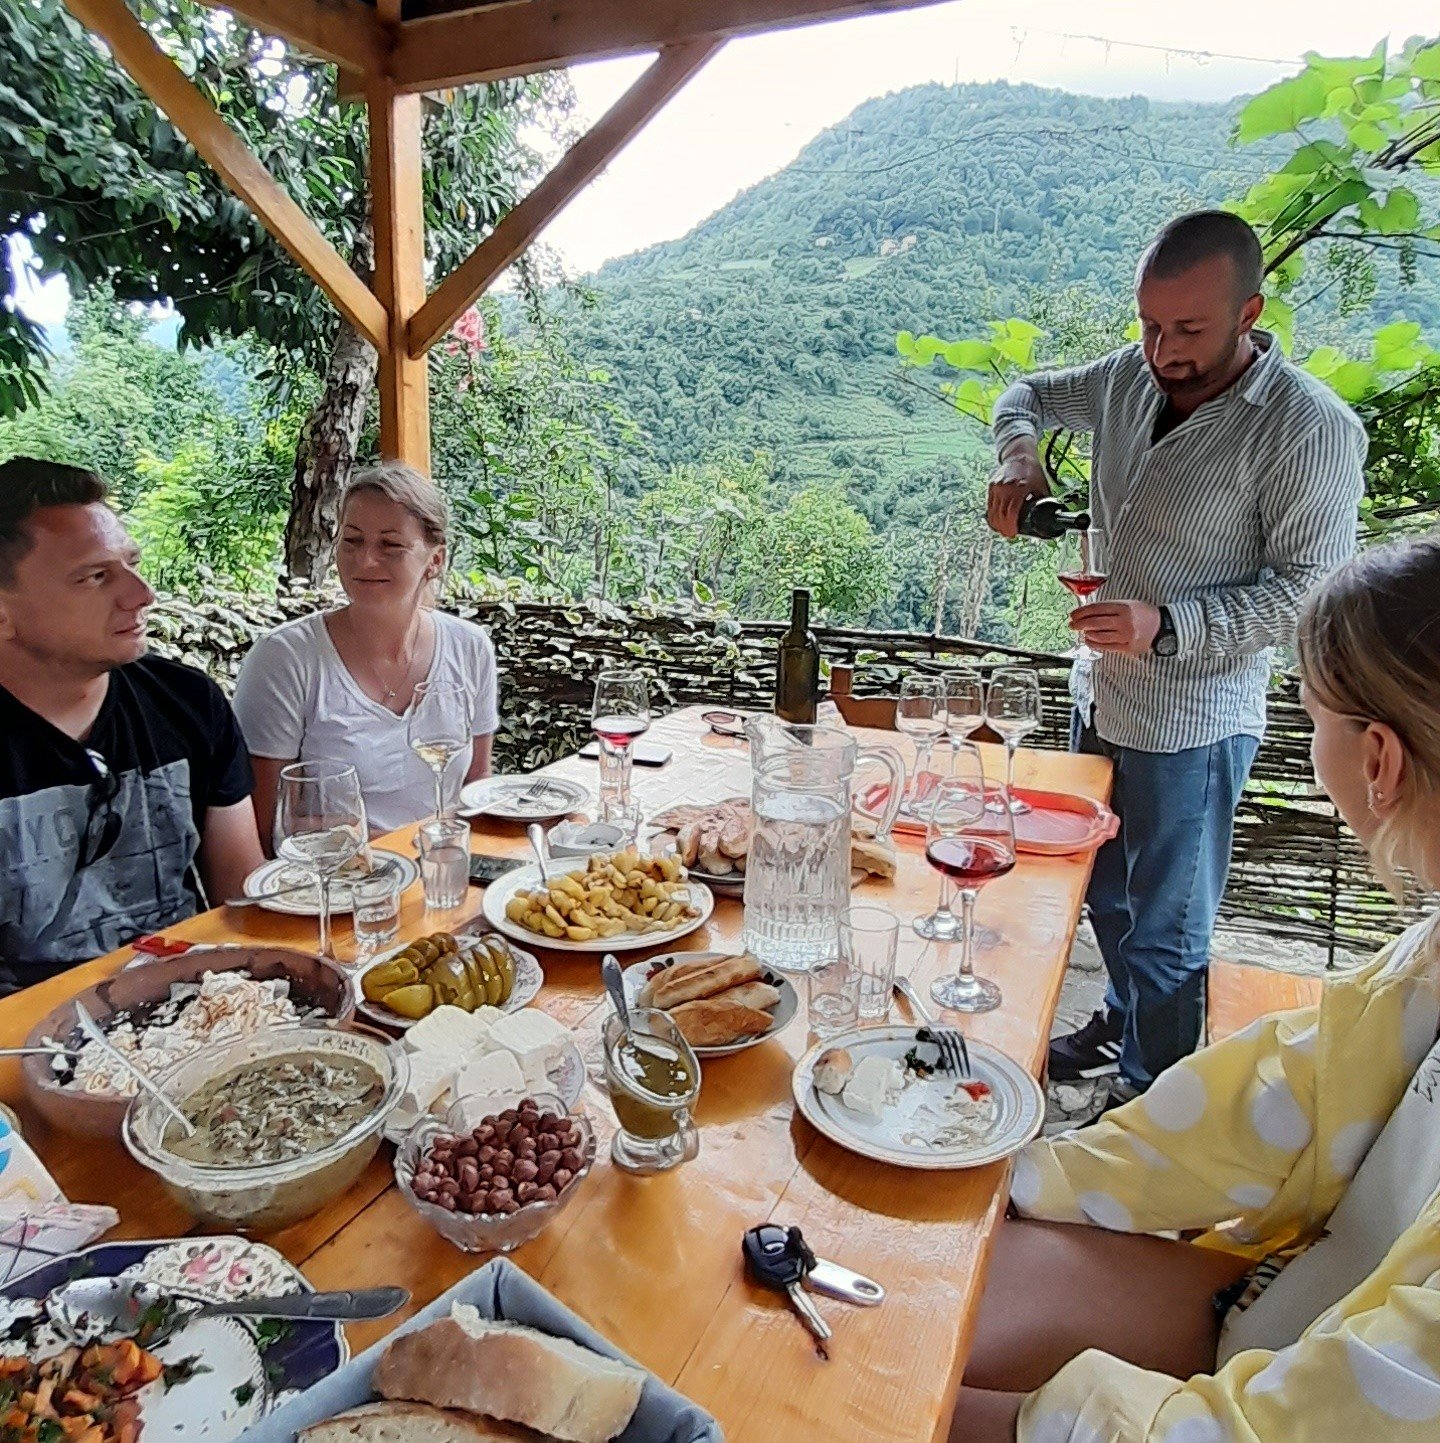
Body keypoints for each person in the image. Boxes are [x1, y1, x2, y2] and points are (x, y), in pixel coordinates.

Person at [950, 534, 1440, 1442]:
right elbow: (1287, 1085)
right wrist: (1026, 1179)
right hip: (1294, 1298)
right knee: (924, 1292)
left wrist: (1023, 1423)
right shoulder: (1429, 955)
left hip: (1328, 1395)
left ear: (1379, 758)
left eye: (1309, 716)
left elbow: (1374, 1401)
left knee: (885, 1399)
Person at [988, 210, 1365, 1097]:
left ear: (1249, 313)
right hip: (1102, 694)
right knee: (1099, 890)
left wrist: (1167, 625)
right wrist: (1019, 455)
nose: (1162, 351)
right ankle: (1124, 1022)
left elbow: (1310, 595)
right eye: (1150, 324)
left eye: (1188, 329)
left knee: (1168, 931)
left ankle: (1152, 1100)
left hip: (1195, 722)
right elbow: (1025, 394)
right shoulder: (1127, 375)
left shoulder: (1309, 429)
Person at [0, 457, 265, 992]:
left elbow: (243, 899)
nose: (142, 594)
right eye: (95, 577)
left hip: (194, 1003)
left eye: (131, 564)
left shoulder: (187, 702)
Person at [234, 462, 499, 842]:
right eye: (352, 540)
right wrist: (398, 846)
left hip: (447, 863)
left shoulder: (469, 647)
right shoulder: (285, 658)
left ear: (435, 560)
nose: (365, 560)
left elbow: (477, 787)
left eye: (390, 545)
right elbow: (264, 825)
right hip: (334, 872)